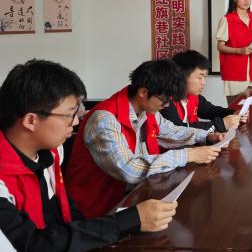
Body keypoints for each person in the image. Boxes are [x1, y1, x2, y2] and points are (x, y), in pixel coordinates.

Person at [0, 60, 176, 252]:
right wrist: (126, 222)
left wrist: (106, 235)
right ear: (31, 120)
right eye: (69, 115)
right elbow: (31, 247)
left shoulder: (50, 153)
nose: (76, 122)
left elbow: (66, 212)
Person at [66, 60, 223, 218]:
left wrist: (206, 136)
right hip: (98, 209)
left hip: (133, 195)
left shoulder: (147, 110)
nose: (166, 105)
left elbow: (171, 130)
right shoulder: (105, 120)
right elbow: (129, 169)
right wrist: (187, 155)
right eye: (164, 100)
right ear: (143, 92)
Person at [161, 50, 244, 132]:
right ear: (181, 77)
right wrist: (221, 124)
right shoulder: (163, 100)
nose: (203, 83)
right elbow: (178, 130)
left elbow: (211, 111)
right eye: (200, 77)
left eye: (204, 77)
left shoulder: (194, 97)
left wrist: (234, 113)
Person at [216, 0, 252, 97]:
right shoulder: (227, 20)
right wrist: (239, 50)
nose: (247, 0)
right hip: (234, 72)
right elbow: (220, 46)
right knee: (236, 106)